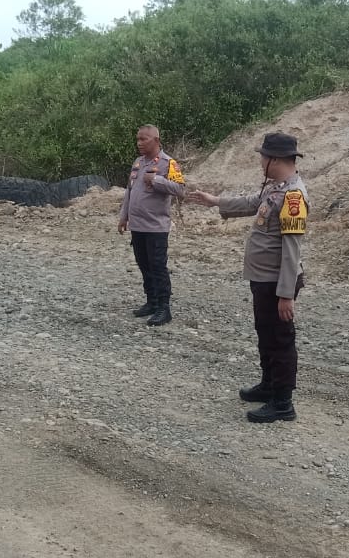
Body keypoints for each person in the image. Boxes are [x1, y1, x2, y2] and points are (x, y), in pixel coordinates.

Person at [186, 132, 309, 423]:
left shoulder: (292, 196)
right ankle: (269, 386)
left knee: (280, 341)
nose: (261, 161)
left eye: (263, 157)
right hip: (263, 278)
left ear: (276, 160)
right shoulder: (275, 188)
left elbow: (292, 250)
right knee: (265, 335)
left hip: (277, 282)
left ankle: (283, 402)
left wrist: (286, 294)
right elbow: (253, 202)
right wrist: (215, 201)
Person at [118, 125, 186, 326]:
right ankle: (151, 301)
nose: (139, 143)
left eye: (143, 139)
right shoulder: (138, 163)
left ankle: (164, 308)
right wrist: (124, 216)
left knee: (157, 267)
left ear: (156, 140)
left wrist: (156, 180)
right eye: (137, 139)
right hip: (137, 226)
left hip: (156, 227)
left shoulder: (168, 163)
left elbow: (180, 189)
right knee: (144, 265)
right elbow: (129, 192)